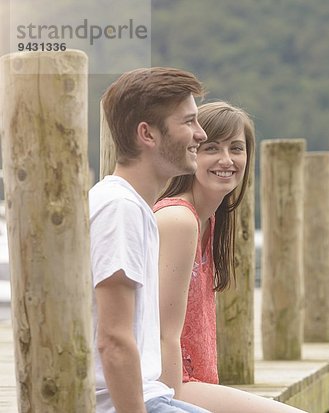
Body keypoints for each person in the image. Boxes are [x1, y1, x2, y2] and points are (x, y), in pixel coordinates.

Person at [154, 101, 307, 413]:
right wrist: (170, 407)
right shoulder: (177, 219)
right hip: (169, 386)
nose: (227, 160)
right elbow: (162, 334)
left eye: (236, 148)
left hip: (196, 384)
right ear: (190, 152)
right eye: (212, 148)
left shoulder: (209, 220)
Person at [89, 67, 212, 413]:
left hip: (151, 397)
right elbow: (113, 340)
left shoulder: (131, 206)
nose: (200, 134)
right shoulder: (119, 209)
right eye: (188, 122)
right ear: (148, 134)